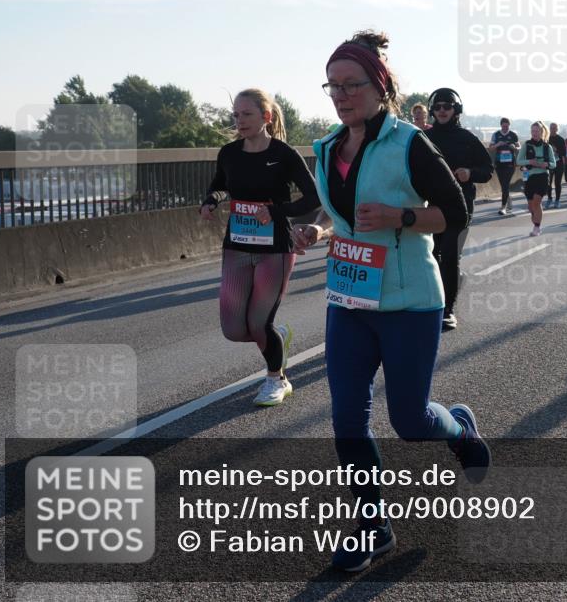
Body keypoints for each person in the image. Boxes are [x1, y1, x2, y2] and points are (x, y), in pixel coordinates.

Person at [292, 30, 491, 572]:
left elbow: (456, 212)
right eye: (332, 86)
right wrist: (320, 232)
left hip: (409, 302)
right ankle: (373, 526)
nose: (339, 95)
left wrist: (401, 217)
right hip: (350, 301)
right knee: (347, 422)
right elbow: (344, 220)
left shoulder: (410, 143)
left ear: (379, 86)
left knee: (409, 421)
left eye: (350, 84)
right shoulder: (328, 147)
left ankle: (458, 428)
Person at [200, 89, 320, 407]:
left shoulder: (284, 154)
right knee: (233, 329)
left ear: (265, 117)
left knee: (257, 323)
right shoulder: (228, 153)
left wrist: (279, 210)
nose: (239, 121)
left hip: (275, 249)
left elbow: (312, 197)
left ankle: (275, 379)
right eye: (236, 115)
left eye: (246, 114)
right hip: (237, 246)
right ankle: (275, 335)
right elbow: (220, 184)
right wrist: (211, 200)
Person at [426, 88, 494, 331]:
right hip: (430, 207)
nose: (442, 110)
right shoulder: (423, 138)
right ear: (432, 111)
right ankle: (432, 301)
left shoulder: (468, 139)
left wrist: (470, 173)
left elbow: (487, 170)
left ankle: (447, 310)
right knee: (431, 257)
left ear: (456, 110)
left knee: (450, 255)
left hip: (460, 206)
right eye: (437, 107)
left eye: (447, 106)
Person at [517, 121, 556, 237]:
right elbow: (518, 161)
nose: (534, 133)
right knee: (531, 206)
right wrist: (530, 162)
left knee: (537, 201)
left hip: (543, 176)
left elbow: (554, 164)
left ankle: (537, 227)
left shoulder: (547, 146)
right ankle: (536, 221)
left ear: (541, 132)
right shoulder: (526, 145)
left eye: (536, 131)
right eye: (532, 131)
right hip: (529, 176)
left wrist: (546, 164)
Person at [489, 117, 520, 215]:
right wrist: (497, 144)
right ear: (501, 125)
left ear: (509, 125)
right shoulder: (496, 135)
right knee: (504, 185)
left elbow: (519, 147)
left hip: (511, 164)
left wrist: (514, 147)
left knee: (506, 184)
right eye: (503, 126)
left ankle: (503, 207)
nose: (505, 128)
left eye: (507, 126)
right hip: (499, 163)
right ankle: (508, 200)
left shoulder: (513, 135)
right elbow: (490, 148)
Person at [546, 122, 566, 208]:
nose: (553, 130)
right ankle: (549, 198)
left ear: (557, 129)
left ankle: (557, 200)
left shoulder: (561, 139)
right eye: (551, 128)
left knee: (557, 183)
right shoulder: (546, 139)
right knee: (548, 183)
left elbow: (564, 153)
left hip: (559, 163)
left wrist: (556, 150)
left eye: (554, 128)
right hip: (549, 164)